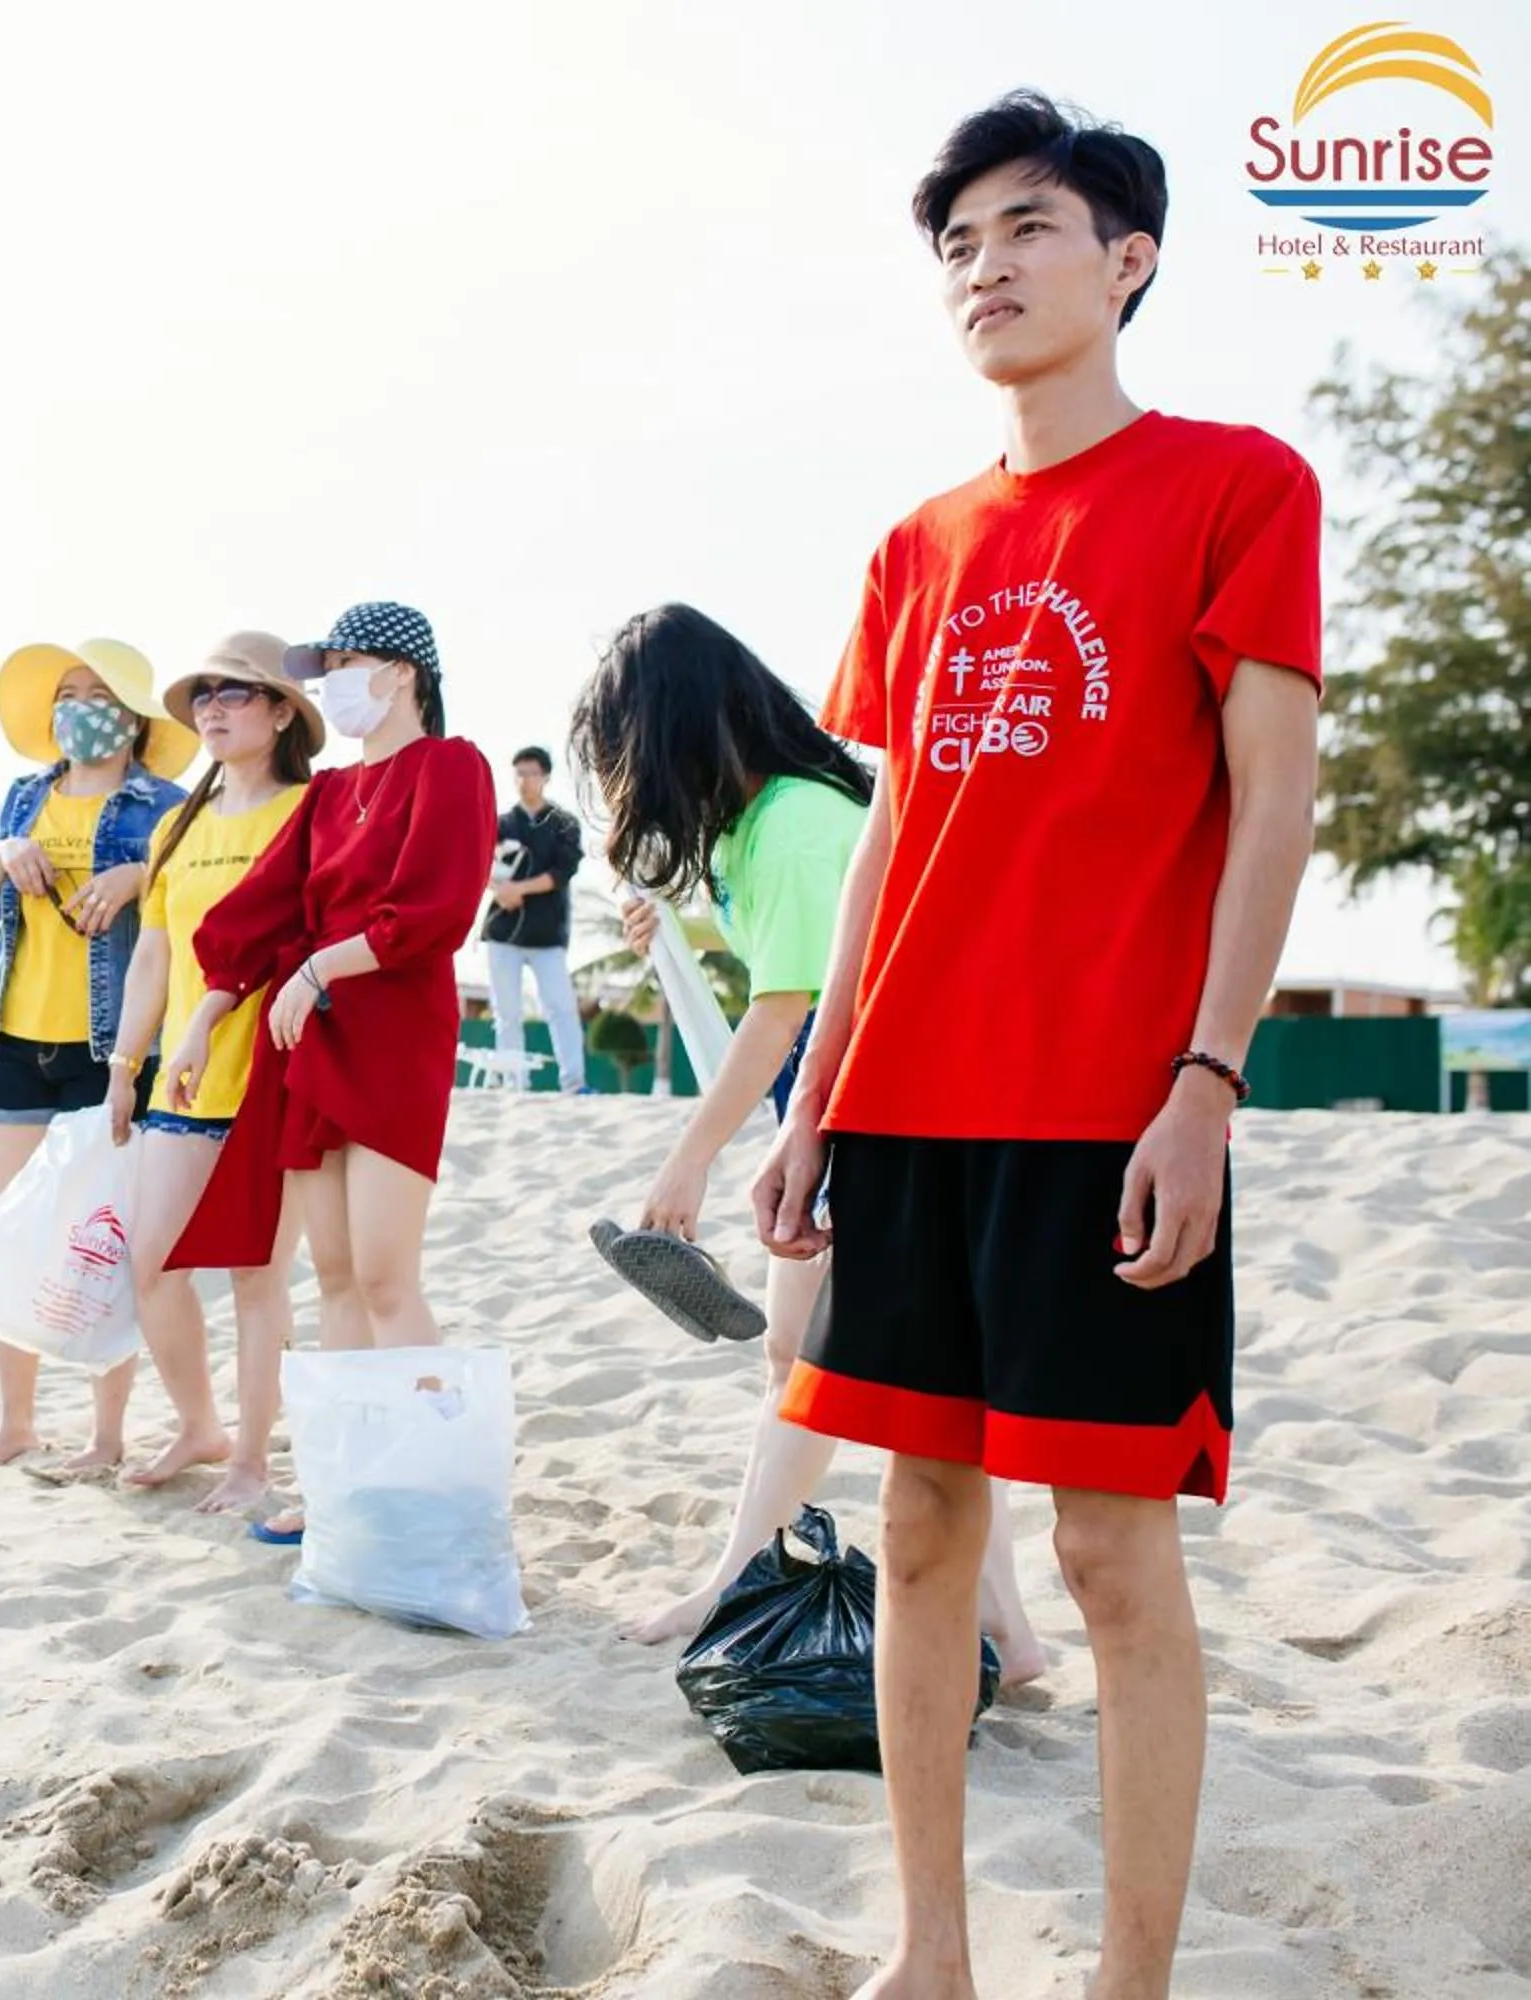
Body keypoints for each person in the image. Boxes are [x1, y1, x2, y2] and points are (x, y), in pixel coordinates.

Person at [752, 95, 1320, 2000]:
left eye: (1026, 230)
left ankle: (1131, 1979)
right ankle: (935, 1955)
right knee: (919, 1535)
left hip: (1108, 1110)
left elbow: (1270, 801)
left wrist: (1209, 1079)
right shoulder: (917, 545)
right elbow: (893, 844)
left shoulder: (1239, 487)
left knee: (1110, 1559)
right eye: (956, 246)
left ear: (1127, 260)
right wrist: (811, 1093)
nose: (983, 270)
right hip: (908, 1104)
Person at [568, 604, 1045, 1678]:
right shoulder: (771, 820)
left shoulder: (793, 821)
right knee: (863, 1378)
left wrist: (689, 1156)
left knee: (830, 1369)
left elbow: (781, 1007)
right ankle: (1007, 1626)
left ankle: (744, 1578)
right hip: (875, 1110)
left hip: (891, 1114)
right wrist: (684, 933)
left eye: (624, 750)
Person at [168, 602, 496, 1535]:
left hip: (393, 1033)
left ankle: (436, 1484)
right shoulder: (323, 798)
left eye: (350, 661)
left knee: (389, 1275)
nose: (334, 681)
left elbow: (436, 911)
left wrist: (319, 968)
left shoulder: (451, 765)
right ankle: (349, 1485)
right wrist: (202, 1022)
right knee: (337, 1278)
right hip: (310, 1040)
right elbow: (254, 917)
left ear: (403, 673)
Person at [0, 640, 196, 1467]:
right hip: (15, 1042)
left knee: (103, 1237)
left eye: (97, 692)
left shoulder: (166, 806)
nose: (79, 706)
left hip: (113, 1051)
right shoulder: (20, 798)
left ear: (132, 716)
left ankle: (106, 1435)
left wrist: (139, 876)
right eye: (67, 692)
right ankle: (15, 1424)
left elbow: (196, 909)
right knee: (16, 1228)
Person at [106, 633, 319, 1514]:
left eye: (237, 693)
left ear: (281, 713)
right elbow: (153, 957)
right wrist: (125, 1066)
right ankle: (200, 1426)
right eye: (204, 695)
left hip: (273, 1082)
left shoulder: (309, 811)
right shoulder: (175, 825)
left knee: (256, 1280)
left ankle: (252, 1463)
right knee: (150, 1264)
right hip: (181, 1087)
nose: (214, 708)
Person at [480, 746, 589, 1093]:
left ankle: (574, 1083)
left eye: (531, 772)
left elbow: (563, 871)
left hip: (548, 934)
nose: (524, 780)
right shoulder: (499, 824)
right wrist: (499, 890)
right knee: (506, 1013)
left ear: (545, 777)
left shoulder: (564, 824)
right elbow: (479, 864)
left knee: (561, 1008)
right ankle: (515, 1083)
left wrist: (519, 889)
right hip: (502, 932)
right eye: (519, 772)